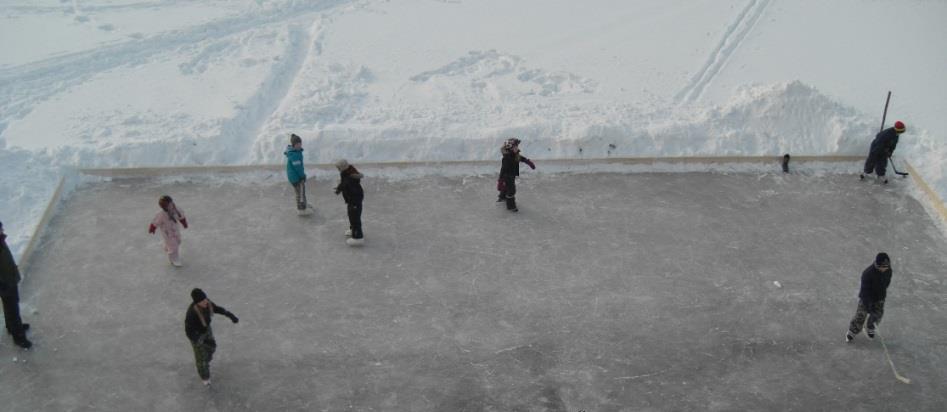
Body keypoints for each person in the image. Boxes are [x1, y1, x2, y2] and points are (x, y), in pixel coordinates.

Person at [184, 288, 238, 386]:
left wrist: (230, 315)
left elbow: (217, 309)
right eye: (202, 301)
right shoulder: (192, 314)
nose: (205, 301)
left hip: (206, 330)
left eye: (205, 299)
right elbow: (189, 331)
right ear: (197, 303)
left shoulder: (207, 303)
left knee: (212, 347)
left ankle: (205, 362)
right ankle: (205, 378)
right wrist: (198, 340)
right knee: (202, 359)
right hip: (196, 335)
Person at [846, 253, 893, 342]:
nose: (884, 269)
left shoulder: (888, 270)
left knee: (877, 315)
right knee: (860, 315)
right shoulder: (868, 273)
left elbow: (887, 283)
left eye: (886, 267)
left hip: (879, 297)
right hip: (866, 298)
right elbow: (864, 291)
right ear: (877, 265)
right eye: (882, 267)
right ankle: (853, 330)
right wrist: (868, 303)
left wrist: (881, 295)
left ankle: (870, 326)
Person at [0, 221, 32, 349]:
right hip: (5, 284)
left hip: (9, 279)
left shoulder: (1, 241)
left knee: (11, 307)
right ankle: (19, 337)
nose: (3, 229)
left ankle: (11, 327)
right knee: (13, 309)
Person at [497, 138, 535, 212]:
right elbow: (503, 169)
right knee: (511, 191)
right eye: (515, 147)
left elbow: (519, 158)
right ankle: (511, 207)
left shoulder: (514, 154)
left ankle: (502, 197)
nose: (517, 148)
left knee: (506, 187)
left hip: (511, 175)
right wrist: (500, 180)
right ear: (510, 147)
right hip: (507, 176)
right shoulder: (507, 158)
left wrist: (527, 161)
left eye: (517, 146)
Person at [148, 195, 188, 267]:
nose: (166, 207)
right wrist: (152, 228)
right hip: (167, 232)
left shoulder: (176, 210)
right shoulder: (161, 214)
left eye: (167, 205)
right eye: (163, 206)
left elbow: (181, 217)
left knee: (178, 241)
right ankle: (174, 259)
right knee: (173, 246)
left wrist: (184, 223)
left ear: (171, 203)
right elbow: (155, 222)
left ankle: (167, 246)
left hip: (175, 230)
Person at [334, 159, 364, 245]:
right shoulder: (347, 173)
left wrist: (353, 201)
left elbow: (346, 185)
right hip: (352, 201)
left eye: (338, 168)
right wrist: (339, 189)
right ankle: (353, 230)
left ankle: (358, 237)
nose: (338, 169)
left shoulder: (349, 178)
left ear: (342, 167)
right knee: (352, 216)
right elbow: (343, 183)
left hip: (355, 201)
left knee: (355, 219)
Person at [284, 133, 312, 216]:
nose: (299, 145)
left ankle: (304, 204)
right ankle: (301, 209)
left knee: (302, 191)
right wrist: (302, 176)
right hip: (296, 178)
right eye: (297, 144)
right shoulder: (294, 155)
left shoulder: (296, 152)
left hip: (296, 176)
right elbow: (298, 168)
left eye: (300, 144)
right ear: (293, 145)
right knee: (300, 193)